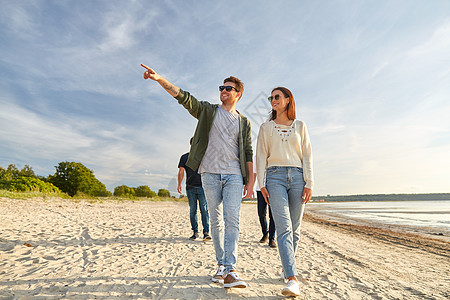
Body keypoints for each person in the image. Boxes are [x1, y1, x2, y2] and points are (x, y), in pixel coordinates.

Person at [141, 64, 254, 289]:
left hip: (233, 175)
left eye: (228, 88)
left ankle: (231, 269)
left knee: (232, 220)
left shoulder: (244, 122)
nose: (223, 91)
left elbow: (248, 151)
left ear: (238, 94)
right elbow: (184, 97)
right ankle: (221, 266)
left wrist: (250, 182)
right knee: (216, 221)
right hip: (209, 174)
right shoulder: (208, 111)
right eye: (221, 87)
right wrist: (160, 79)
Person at [256, 87, 313, 297]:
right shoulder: (265, 127)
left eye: (277, 97)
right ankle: (291, 278)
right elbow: (261, 155)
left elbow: (307, 155)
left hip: (299, 178)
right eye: (271, 97)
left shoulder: (300, 125)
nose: (273, 100)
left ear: (288, 100)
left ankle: (286, 268)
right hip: (274, 177)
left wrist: (310, 182)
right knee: (284, 227)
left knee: (295, 229)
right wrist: (261, 183)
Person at [178, 138, 211, 241]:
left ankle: (205, 232)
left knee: (203, 210)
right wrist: (179, 184)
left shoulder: (204, 157)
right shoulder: (185, 157)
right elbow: (181, 172)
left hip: (203, 187)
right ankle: (196, 232)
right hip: (190, 187)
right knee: (195, 211)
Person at [253, 159, 276, 248]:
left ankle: (272, 239)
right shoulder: (257, 157)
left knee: (272, 215)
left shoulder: (274, 154)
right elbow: (254, 173)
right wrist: (251, 186)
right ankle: (265, 233)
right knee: (261, 214)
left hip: (273, 188)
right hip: (260, 189)